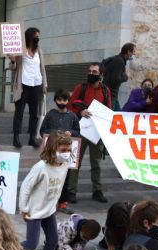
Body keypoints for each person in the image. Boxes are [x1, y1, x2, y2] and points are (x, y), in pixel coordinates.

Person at [19, 131, 72, 250]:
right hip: (34, 211)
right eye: (63, 150)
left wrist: (55, 201)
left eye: (68, 150)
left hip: (49, 210)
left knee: (52, 241)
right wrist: (24, 208)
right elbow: (26, 187)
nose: (66, 153)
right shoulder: (40, 167)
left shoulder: (65, 164)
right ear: (52, 148)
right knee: (31, 243)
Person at [65, 63, 112, 204]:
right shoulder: (81, 88)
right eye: (90, 71)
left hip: (96, 131)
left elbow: (108, 109)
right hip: (80, 129)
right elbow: (70, 105)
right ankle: (71, 191)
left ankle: (97, 191)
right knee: (75, 162)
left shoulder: (105, 91)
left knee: (96, 162)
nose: (91, 73)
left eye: (94, 71)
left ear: (101, 75)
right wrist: (80, 112)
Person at [39, 89, 79, 213]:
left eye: (64, 100)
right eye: (59, 100)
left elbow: (78, 132)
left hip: (66, 154)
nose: (62, 102)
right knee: (50, 176)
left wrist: (71, 132)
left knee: (64, 178)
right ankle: (49, 202)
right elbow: (42, 131)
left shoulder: (72, 116)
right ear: (55, 100)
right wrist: (54, 133)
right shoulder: (50, 114)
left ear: (68, 101)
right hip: (52, 152)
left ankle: (62, 203)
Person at [9, 27, 47, 148]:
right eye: (36, 36)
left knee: (34, 114)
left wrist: (44, 84)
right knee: (19, 113)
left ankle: (32, 137)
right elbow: (13, 68)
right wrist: (13, 60)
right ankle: (16, 137)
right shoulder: (20, 50)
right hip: (23, 85)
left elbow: (42, 68)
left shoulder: (39, 50)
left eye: (39, 36)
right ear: (30, 37)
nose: (38, 38)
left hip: (36, 85)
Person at [102, 42, 135, 111]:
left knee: (119, 115)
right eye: (133, 51)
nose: (134, 54)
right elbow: (115, 80)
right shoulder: (119, 61)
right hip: (110, 95)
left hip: (112, 95)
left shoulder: (118, 59)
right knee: (111, 118)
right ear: (128, 51)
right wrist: (126, 77)